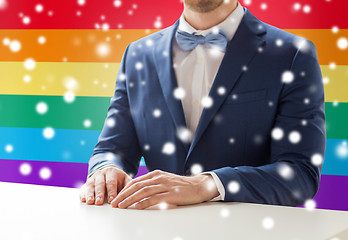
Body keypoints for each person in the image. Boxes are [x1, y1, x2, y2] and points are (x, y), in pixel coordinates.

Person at [79, 0, 326, 210]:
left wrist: (208, 184)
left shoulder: (293, 55)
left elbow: (300, 174)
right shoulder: (137, 54)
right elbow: (113, 149)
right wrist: (107, 168)